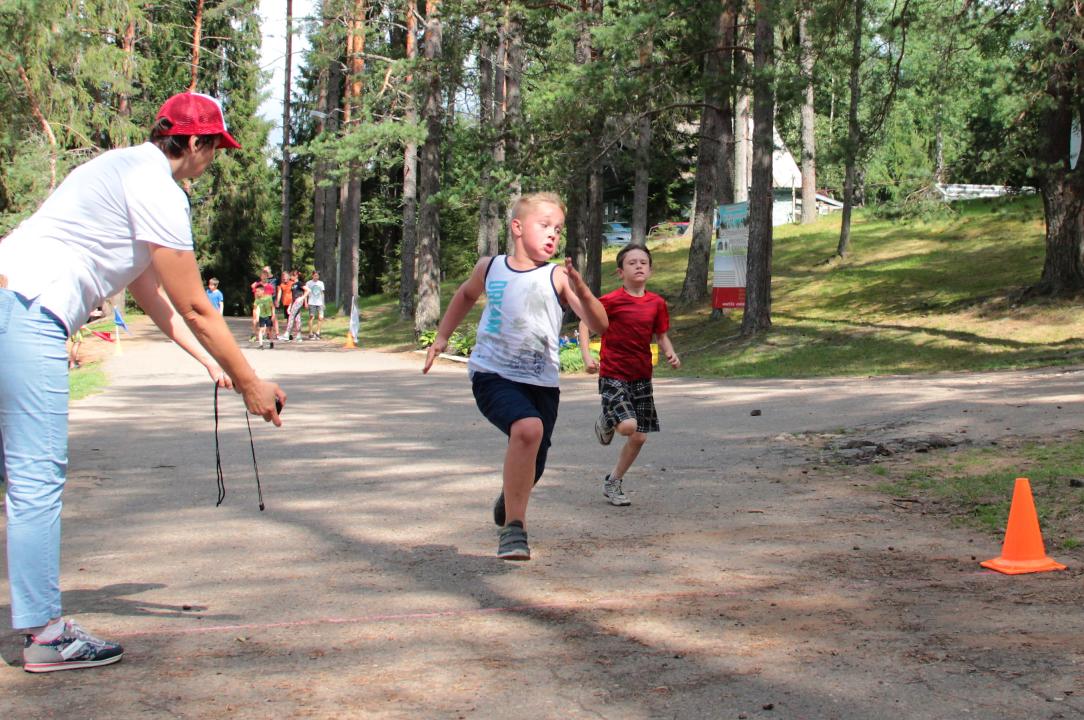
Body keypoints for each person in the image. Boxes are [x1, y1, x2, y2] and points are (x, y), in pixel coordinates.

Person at [0, 91, 286, 673]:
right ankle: (45, 634)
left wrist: (207, 363)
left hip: (10, 297)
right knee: (35, 477)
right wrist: (250, 379)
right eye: (215, 149)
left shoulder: (121, 167)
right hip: (28, 310)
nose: (213, 162)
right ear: (197, 143)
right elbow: (196, 305)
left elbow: (149, 292)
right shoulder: (160, 187)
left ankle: (40, 624)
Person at [423, 192, 608, 560]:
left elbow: (600, 324)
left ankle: (510, 497)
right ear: (518, 228)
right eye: (545, 225)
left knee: (534, 458)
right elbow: (464, 296)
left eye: (558, 229)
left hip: (541, 383)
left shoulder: (558, 276)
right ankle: (515, 530)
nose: (553, 235)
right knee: (528, 429)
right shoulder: (490, 267)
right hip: (492, 374)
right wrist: (441, 337)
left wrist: (582, 288)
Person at [578, 244, 680, 507]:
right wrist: (587, 357)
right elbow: (584, 321)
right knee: (627, 426)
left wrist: (671, 354)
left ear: (650, 269)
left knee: (639, 436)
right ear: (620, 272)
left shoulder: (656, 303)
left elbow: (661, 335)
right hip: (614, 372)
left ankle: (613, 481)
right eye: (632, 262)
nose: (638, 266)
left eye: (643, 262)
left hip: (641, 375)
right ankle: (608, 417)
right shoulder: (610, 301)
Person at [284, 270, 308, 342]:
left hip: (298, 301)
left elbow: (308, 290)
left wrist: (302, 298)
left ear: (296, 276)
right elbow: (293, 296)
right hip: (294, 302)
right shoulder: (293, 285)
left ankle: (287, 333)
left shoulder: (299, 283)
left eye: (292, 276)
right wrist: (289, 306)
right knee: (297, 318)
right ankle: (299, 335)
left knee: (291, 316)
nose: (291, 277)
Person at [253, 284, 275, 348]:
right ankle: (261, 345)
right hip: (261, 316)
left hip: (268, 315)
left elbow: (272, 307)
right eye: (256, 292)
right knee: (261, 330)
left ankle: (271, 342)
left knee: (269, 330)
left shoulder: (268, 297)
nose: (257, 293)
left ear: (262, 291)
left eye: (258, 291)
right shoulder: (257, 300)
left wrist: (273, 315)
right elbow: (254, 309)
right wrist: (256, 317)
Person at [305, 270, 325, 339]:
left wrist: (323, 303)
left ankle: (318, 332)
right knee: (311, 317)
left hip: (319, 303)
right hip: (311, 302)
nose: (316, 277)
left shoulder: (321, 283)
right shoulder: (309, 283)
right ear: (312, 275)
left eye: (317, 276)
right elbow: (306, 293)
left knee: (320, 317)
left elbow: (322, 293)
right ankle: (310, 333)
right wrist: (306, 302)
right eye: (315, 275)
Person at [275, 270, 292, 340]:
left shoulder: (292, 283)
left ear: (289, 277)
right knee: (288, 319)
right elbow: (279, 293)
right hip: (285, 303)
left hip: (292, 303)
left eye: (285, 276)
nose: (284, 278)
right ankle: (288, 333)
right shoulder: (281, 285)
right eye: (283, 277)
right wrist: (278, 301)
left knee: (292, 319)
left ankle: (292, 333)